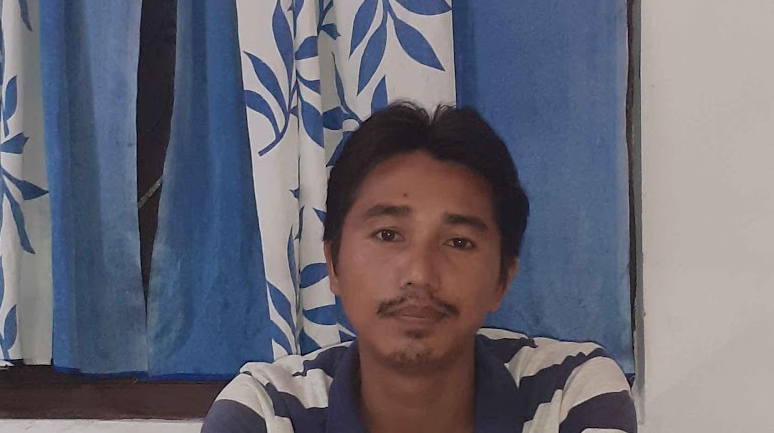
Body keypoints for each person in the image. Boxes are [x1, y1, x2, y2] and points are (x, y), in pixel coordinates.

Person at [203, 103, 636, 432]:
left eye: (459, 242)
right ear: (333, 263)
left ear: (502, 278)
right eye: (388, 234)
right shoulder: (268, 412)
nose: (420, 274)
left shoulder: (568, 395)